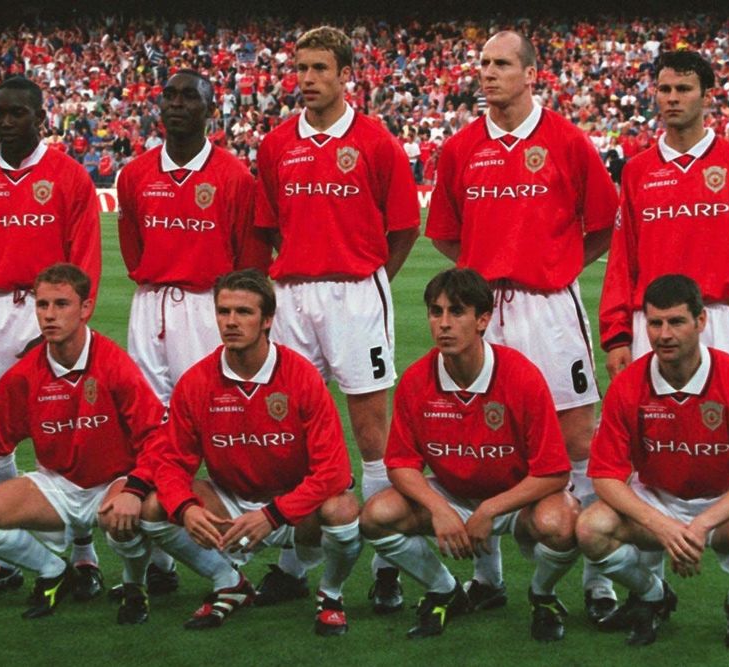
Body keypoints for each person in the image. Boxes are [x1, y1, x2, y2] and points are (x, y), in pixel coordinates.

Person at [424, 30, 619, 618]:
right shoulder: (459, 147)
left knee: (580, 437)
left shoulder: (566, 140)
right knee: (482, 436)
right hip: (483, 311)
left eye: (501, 64)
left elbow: (605, 223)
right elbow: (446, 232)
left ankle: (598, 579)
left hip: (549, 308)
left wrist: (557, 269)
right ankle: (489, 577)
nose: (488, 74)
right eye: (482, 64)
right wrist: (480, 285)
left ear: (531, 72)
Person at [253, 25, 420, 612]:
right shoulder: (275, 144)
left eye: (320, 69)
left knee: (372, 435)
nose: (307, 80)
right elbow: (269, 225)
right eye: (300, 69)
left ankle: (387, 564)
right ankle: (295, 565)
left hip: (355, 293)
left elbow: (403, 227)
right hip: (294, 294)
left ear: (346, 73)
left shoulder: (375, 141)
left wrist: (368, 279)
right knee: (296, 435)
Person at [0, 76, 104, 601]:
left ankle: (82, 556)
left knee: (64, 437)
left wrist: (63, 325)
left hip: (47, 311)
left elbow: (85, 258)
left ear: (40, 117)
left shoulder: (69, 176)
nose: (5, 122)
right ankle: (8, 555)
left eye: (17, 114)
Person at [0, 263, 167, 623]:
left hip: (112, 482)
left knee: (126, 516)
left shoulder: (115, 364)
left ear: (85, 308)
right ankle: (54, 570)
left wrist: (137, 486)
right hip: (58, 484)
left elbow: (155, 434)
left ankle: (135, 586)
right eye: (43, 305)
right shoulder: (26, 372)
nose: (49, 315)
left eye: (61, 304)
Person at [139, 269, 363, 635]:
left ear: (268, 320)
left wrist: (273, 514)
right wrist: (186, 507)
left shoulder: (301, 376)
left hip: (293, 509)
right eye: (224, 312)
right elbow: (171, 462)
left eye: (243, 312)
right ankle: (228, 582)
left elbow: (335, 471)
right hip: (230, 504)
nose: (231, 322)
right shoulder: (196, 381)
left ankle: (331, 594)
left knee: (343, 509)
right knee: (154, 508)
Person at [361, 269, 579, 641]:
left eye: (456, 312)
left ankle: (542, 596)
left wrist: (490, 510)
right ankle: (445, 589)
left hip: (514, 499)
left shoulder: (521, 377)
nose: (443, 324)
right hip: (454, 495)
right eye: (436, 311)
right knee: (376, 516)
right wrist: (440, 509)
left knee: (561, 523)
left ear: (482, 320)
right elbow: (400, 464)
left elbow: (554, 472)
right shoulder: (417, 379)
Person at [577, 274, 729, 650]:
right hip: (657, 499)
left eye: (676, 322)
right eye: (655, 323)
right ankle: (652, 594)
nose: (664, 334)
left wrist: (700, 526)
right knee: (591, 527)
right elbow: (605, 476)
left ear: (701, 322)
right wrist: (665, 526)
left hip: (720, 505)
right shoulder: (628, 384)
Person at [600, 50, 729, 383]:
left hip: (722, 323)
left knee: (727, 431)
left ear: (707, 96)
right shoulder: (637, 171)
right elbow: (621, 261)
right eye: (664, 89)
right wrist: (617, 336)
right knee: (652, 433)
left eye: (684, 89)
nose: (672, 98)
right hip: (652, 325)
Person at [118, 70, 269, 405]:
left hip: (206, 306)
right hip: (148, 304)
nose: (176, 103)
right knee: (148, 417)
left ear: (211, 110)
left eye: (189, 96)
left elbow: (250, 261)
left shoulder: (235, 177)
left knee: (213, 412)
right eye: (170, 95)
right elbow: (132, 247)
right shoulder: (134, 174)